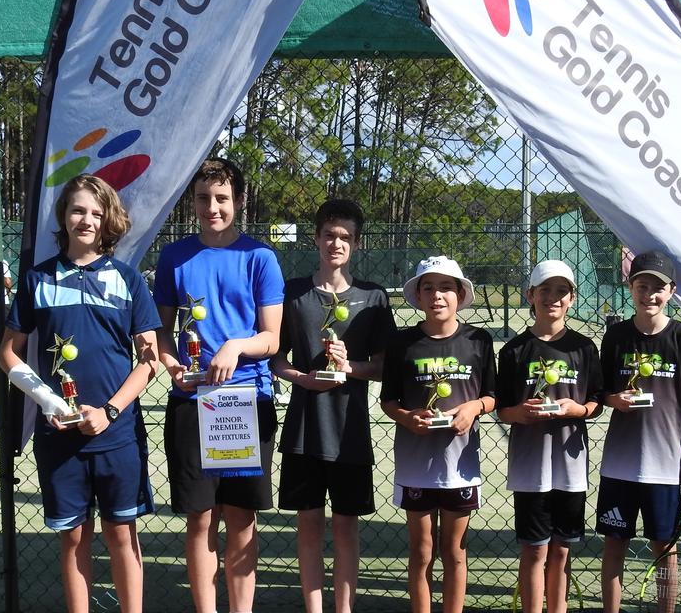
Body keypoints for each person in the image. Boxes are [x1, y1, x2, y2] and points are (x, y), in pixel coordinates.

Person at [0, 174, 161, 613]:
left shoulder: (129, 280)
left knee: (120, 533)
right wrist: (51, 404)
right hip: (60, 434)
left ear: (108, 218)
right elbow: (9, 354)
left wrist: (109, 411)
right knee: (73, 537)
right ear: (63, 217)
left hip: (117, 432)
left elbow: (149, 360)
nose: (85, 219)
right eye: (77, 210)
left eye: (94, 211)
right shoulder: (37, 280)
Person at [153, 157, 284, 613]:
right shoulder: (173, 257)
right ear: (193, 202)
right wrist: (171, 364)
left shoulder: (260, 257)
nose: (213, 207)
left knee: (242, 518)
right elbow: (163, 332)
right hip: (191, 401)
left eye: (223, 199)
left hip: (245, 400)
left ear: (239, 202)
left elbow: (270, 339)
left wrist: (235, 347)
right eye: (205, 198)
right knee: (200, 518)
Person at [271, 199, 396, 613]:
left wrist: (349, 367)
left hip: (349, 435)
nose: (335, 243)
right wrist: (300, 378)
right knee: (308, 526)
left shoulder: (373, 297)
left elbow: (383, 367)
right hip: (304, 430)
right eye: (329, 235)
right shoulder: (293, 293)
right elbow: (276, 358)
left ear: (356, 244)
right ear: (317, 238)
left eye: (344, 237)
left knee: (345, 527)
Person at [597, 251, 681, 613]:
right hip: (619, 466)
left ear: (672, 291)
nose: (650, 294)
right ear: (630, 287)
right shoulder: (615, 336)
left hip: (665, 467)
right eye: (642, 285)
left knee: (665, 548)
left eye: (658, 288)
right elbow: (600, 393)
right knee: (614, 545)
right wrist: (614, 399)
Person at [381, 255, 497, 613]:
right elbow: (388, 400)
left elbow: (493, 395)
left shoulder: (479, 341)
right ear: (417, 296)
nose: (437, 295)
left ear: (460, 294)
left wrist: (473, 408)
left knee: (454, 552)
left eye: (446, 287)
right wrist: (406, 417)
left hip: (460, 467)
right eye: (428, 287)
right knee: (421, 552)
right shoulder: (402, 343)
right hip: (416, 466)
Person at [496, 260, 601, 613]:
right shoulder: (513, 351)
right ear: (531, 296)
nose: (553, 298)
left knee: (561, 550)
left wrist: (577, 410)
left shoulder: (585, 348)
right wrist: (520, 414)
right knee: (535, 550)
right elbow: (502, 410)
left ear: (572, 298)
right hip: (530, 469)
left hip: (571, 468)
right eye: (545, 291)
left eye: (561, 291)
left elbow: (596, 403)